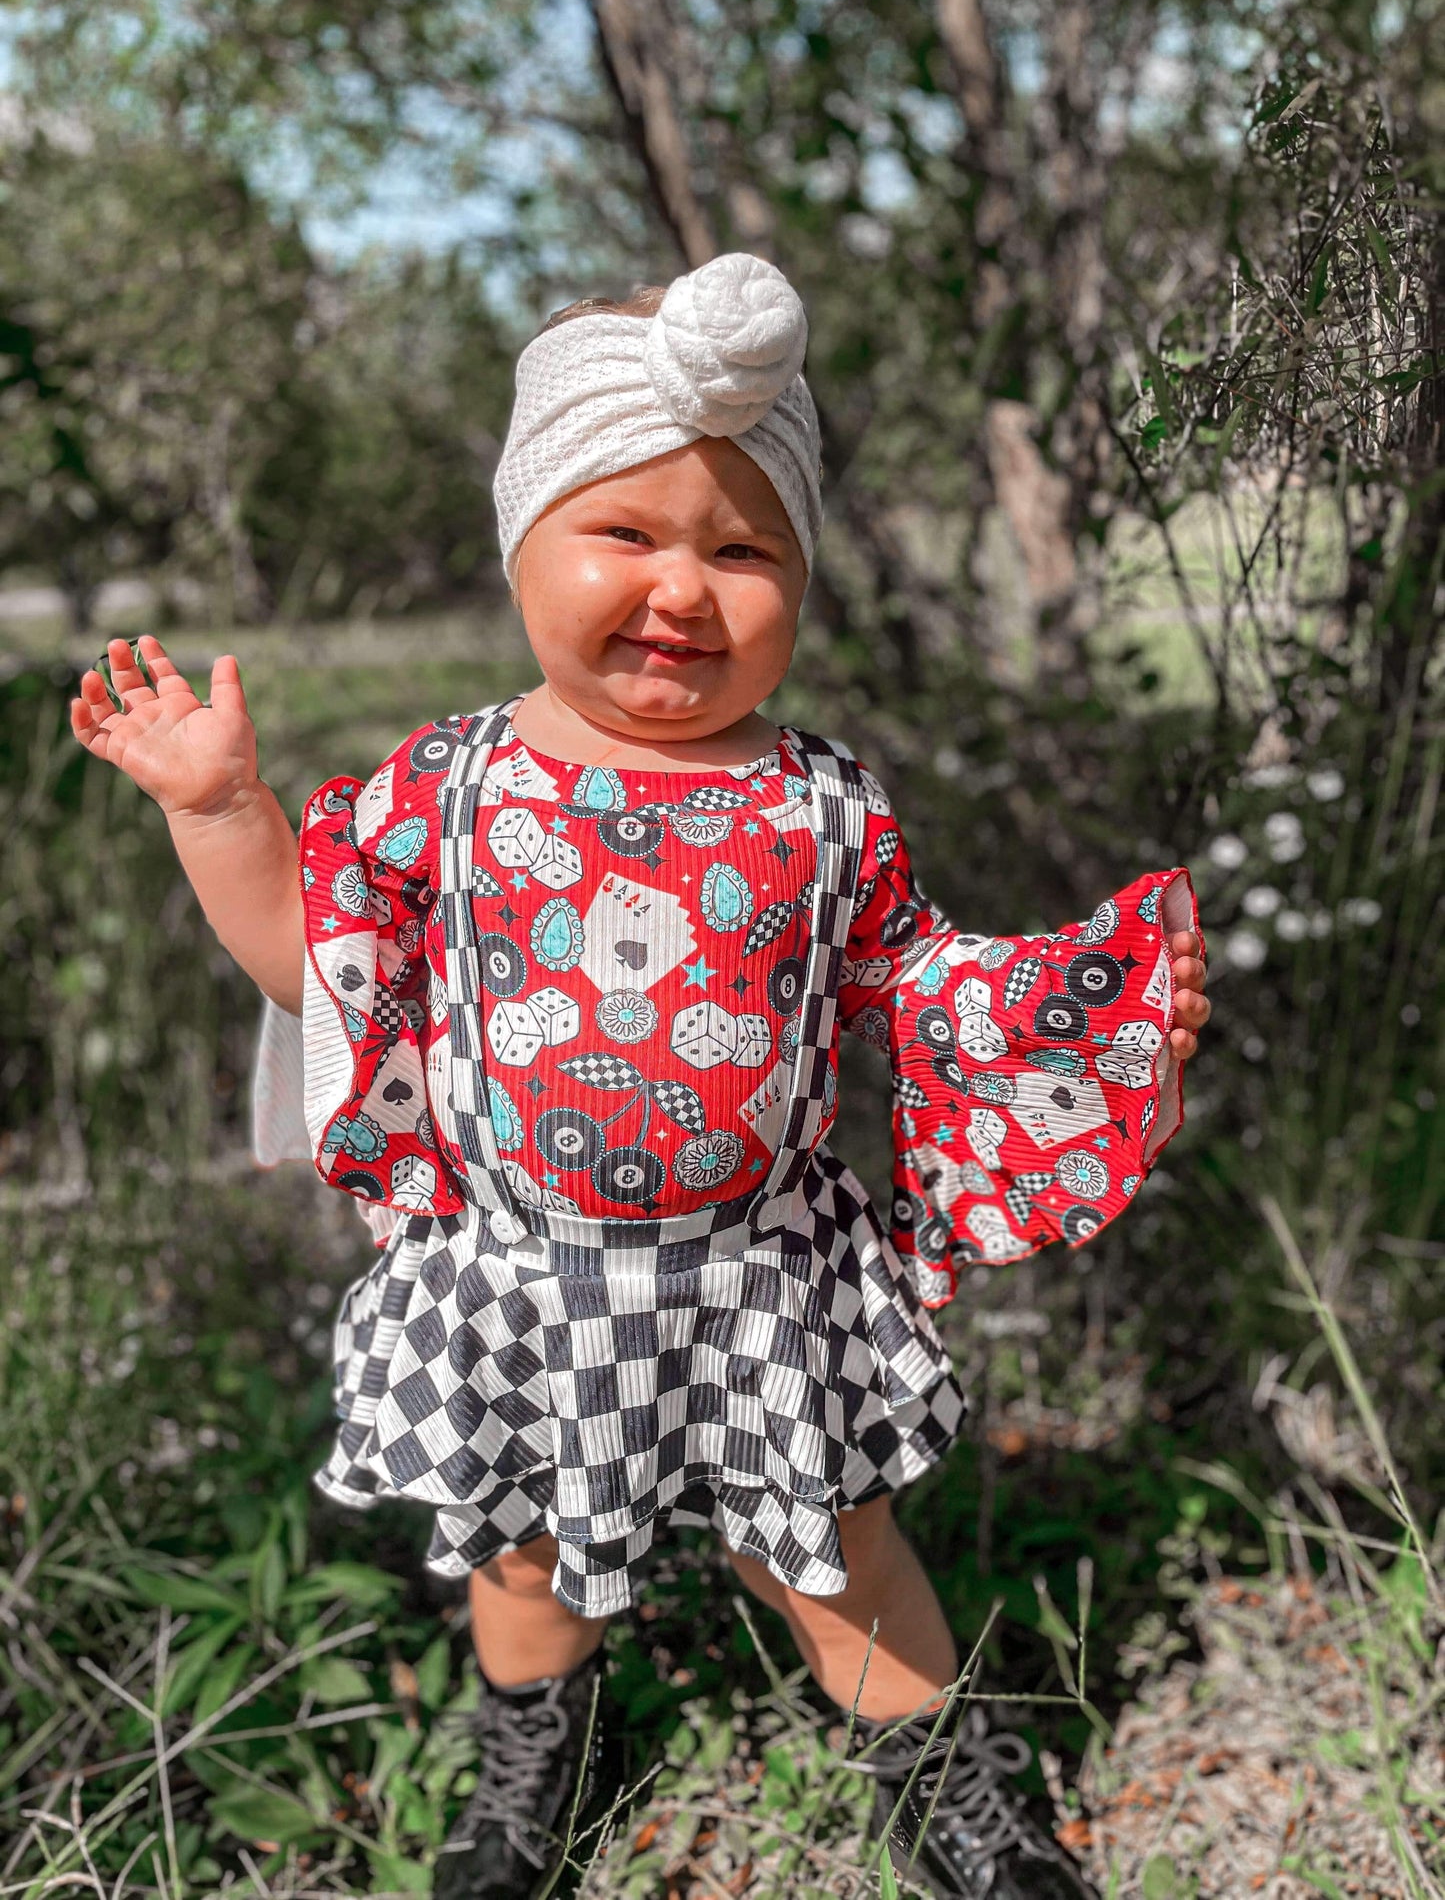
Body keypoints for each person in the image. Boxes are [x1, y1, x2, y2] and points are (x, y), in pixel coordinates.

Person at [72, 253, 1210, 1900]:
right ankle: (536, 1760)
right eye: (628, 533)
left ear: (798, 585)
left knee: (831, 1550)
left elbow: (919, 992)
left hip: (762, 1279)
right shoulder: (452, 785)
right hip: (527, 1279)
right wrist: (218, 813)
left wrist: (1073, 1013)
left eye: (742, 550)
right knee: (528, 1556)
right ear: (522, 540)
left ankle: (951, 1793)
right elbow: (318, 970)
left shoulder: (825, 805)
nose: (684, 587)